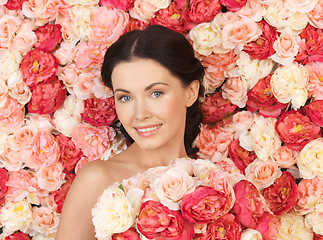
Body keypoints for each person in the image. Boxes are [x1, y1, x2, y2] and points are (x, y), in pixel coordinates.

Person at [55, 25, 205, 240]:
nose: (139, 114)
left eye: (156, 93)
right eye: (125, 97)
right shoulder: (98, 180)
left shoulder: (212, 185)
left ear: (191, 93)